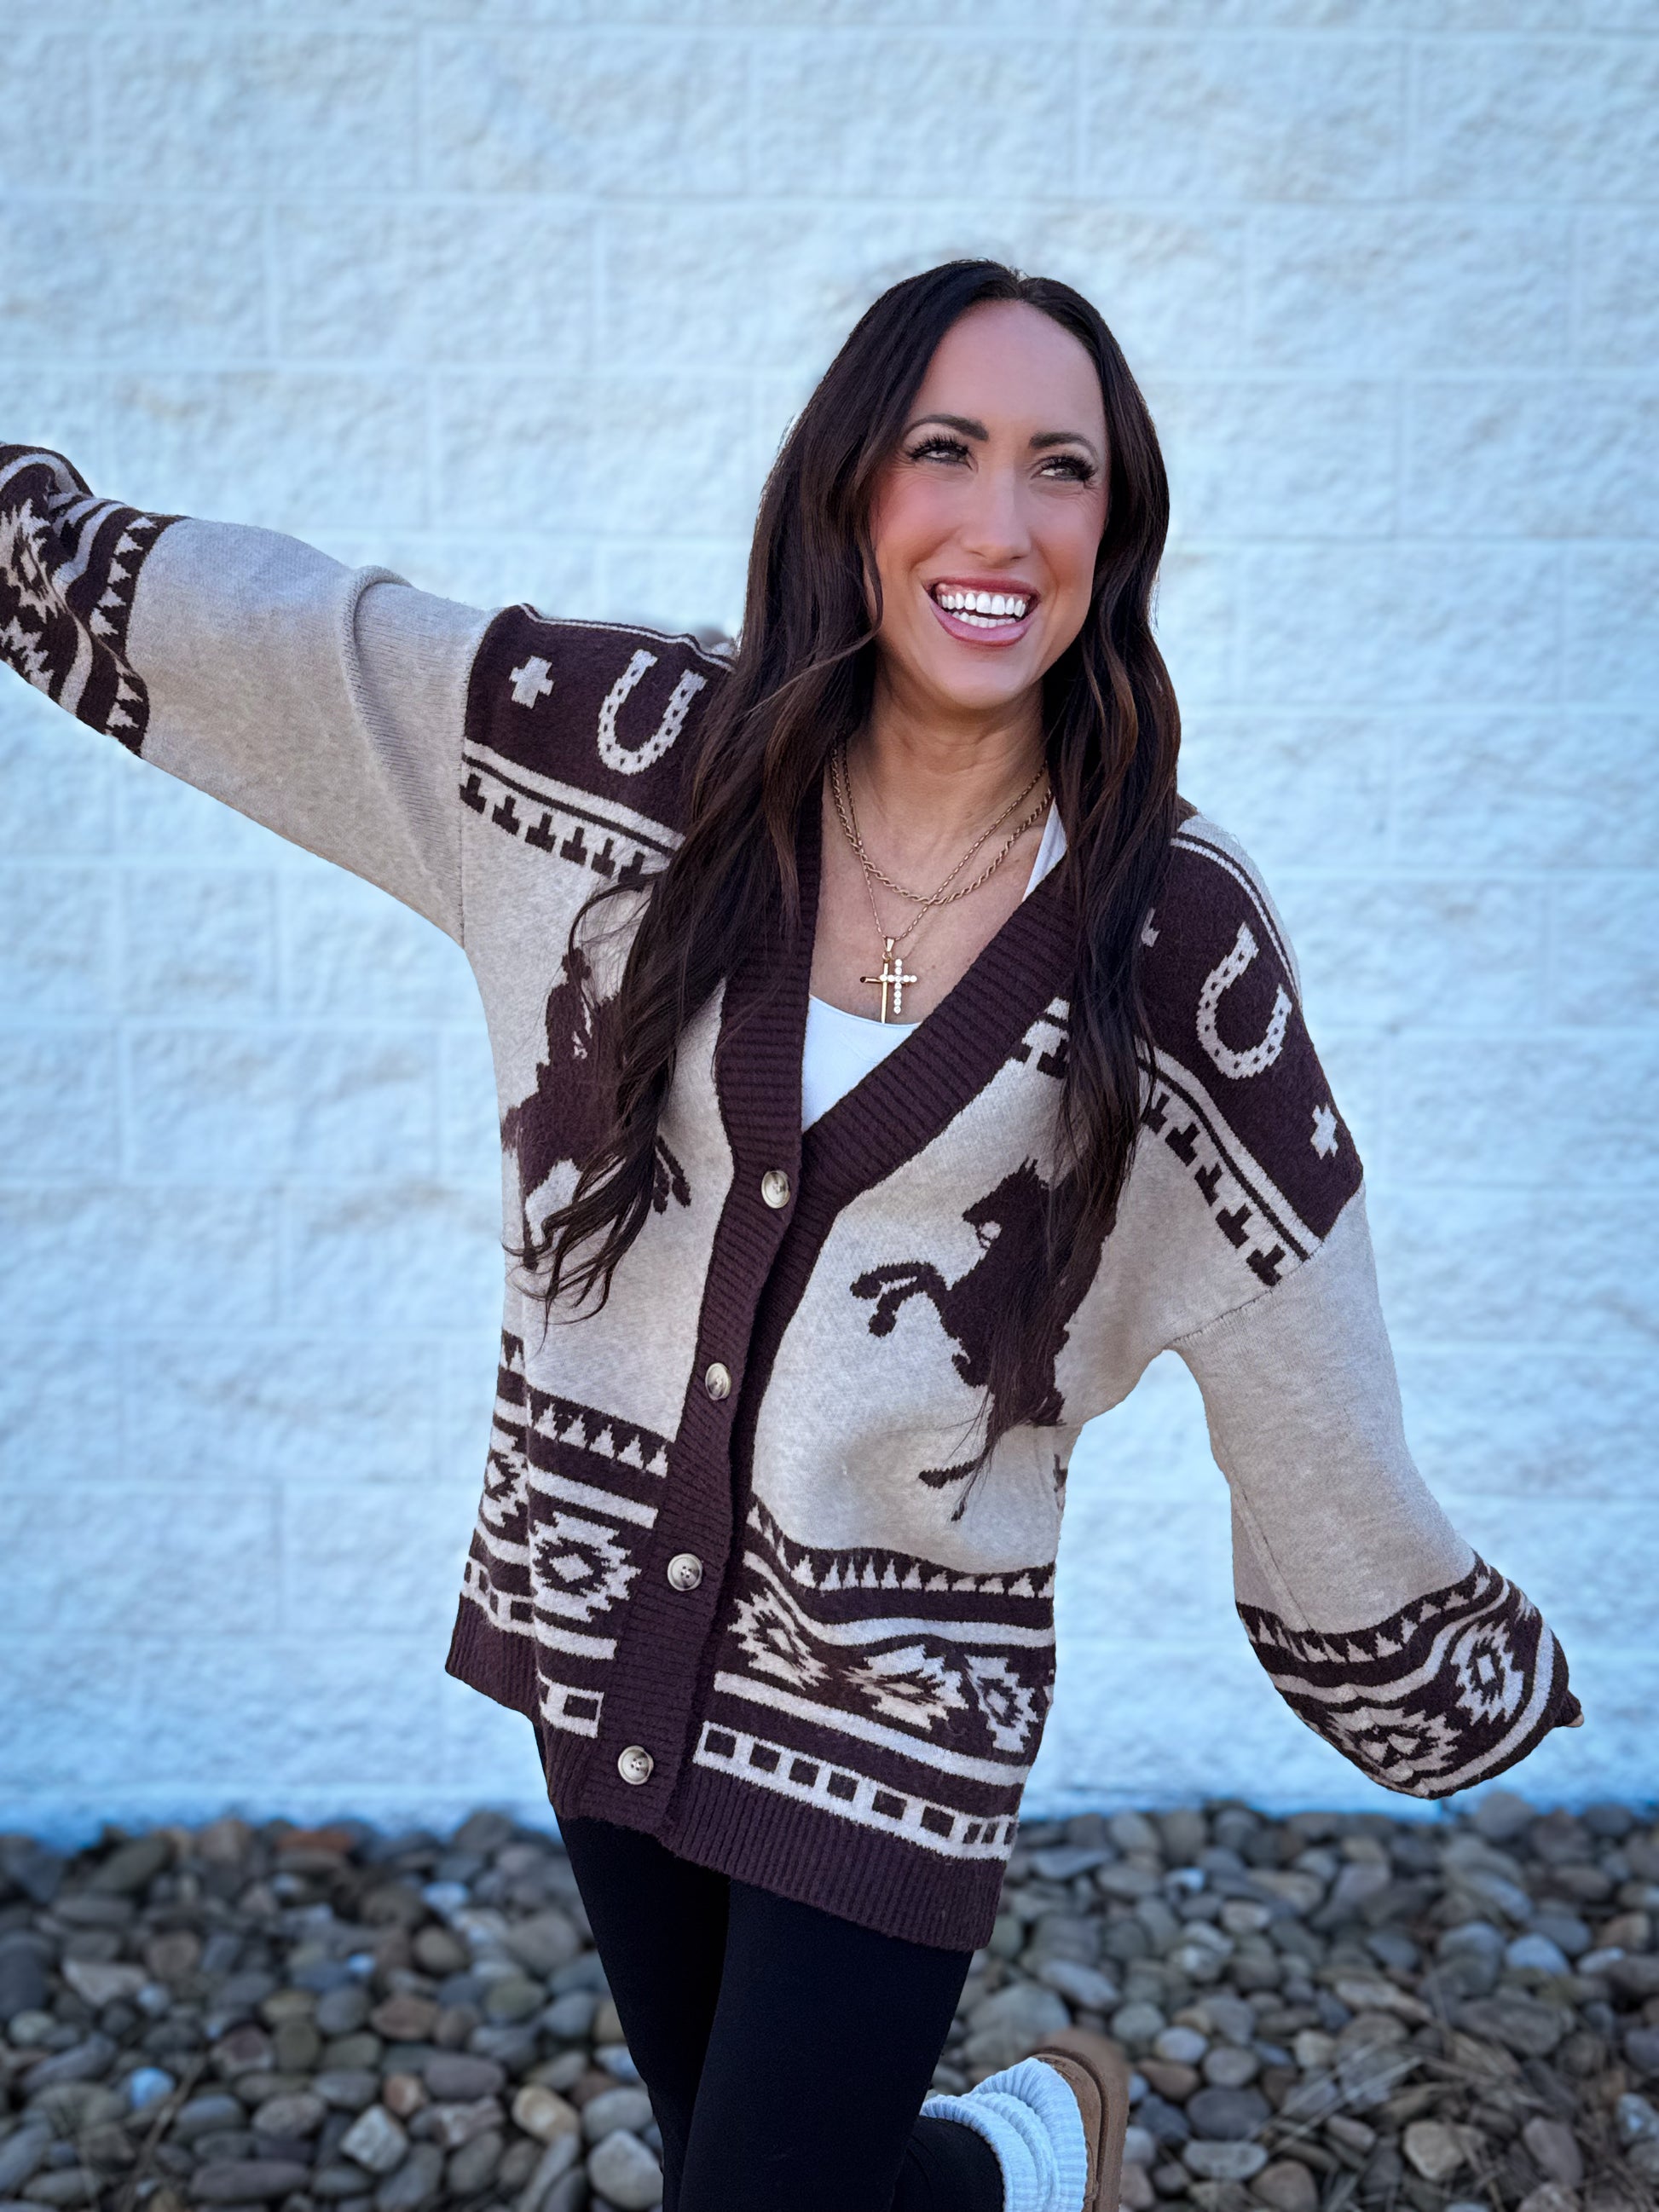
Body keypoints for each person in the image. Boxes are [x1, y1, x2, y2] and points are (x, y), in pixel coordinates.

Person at [0, 260, 1580, 2212]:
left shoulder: (1169, 933)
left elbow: (1295, 1318)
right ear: (849, 487)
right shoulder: (622, 762)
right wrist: (31, 541)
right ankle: (1012, 2163)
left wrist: (1422, 1654)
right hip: (598, 1622)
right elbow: (309, 642)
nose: (999, 524)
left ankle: (1000, 2153)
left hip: (898, 1706)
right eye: (945, 449)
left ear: (1119, 527)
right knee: (757, 2174)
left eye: (1061, 470)